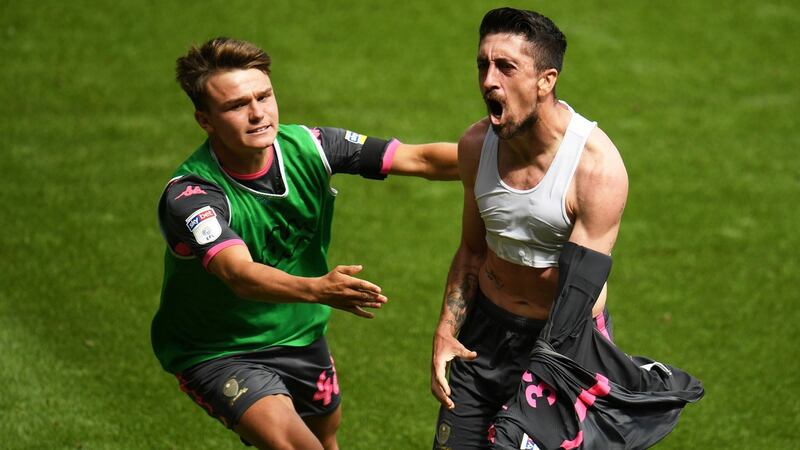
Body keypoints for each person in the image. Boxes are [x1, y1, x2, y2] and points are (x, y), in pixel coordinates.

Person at [151, 37, 457, 450]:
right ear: (205, 120)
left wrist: (519, 157)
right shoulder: (193, 195)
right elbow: (239, 275)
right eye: (237, 105)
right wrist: (318, 289)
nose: (258, 113)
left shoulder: (311, 147)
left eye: (264, 96)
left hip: (301, 334)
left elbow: (421, 160)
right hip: (217, 349)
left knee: (324, 438)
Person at [430, 8, 629, 449]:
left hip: (561, 346)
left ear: (545, 80)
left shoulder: (595, 168)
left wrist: (539, 378)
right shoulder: (475, 145)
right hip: (482, 336)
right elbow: (471, 251)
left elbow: (577, 296)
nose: (488, 81)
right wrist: (446, 331)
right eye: (483, 64)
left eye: (505, 67)